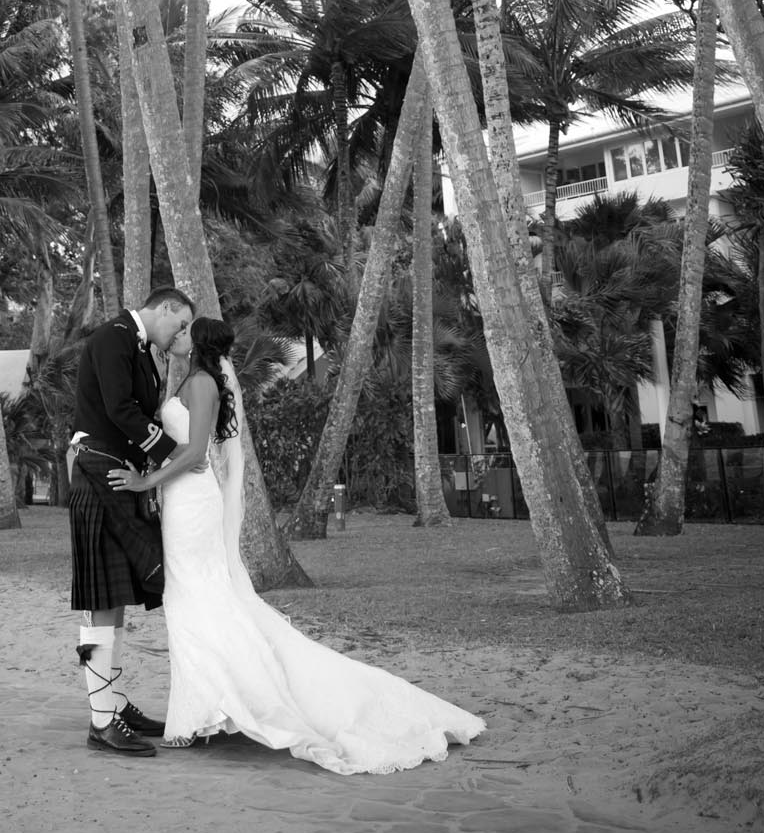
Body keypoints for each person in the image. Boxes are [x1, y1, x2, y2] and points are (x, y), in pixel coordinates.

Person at [109, 316, 486, 774]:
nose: (179, 333)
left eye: (186, 329)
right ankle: (199, 710)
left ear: (200, 343)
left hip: (192, 503)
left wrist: (143, 481)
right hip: (179, 503)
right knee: (189, 599)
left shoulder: (204, 383)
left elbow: (193, 454)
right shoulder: (190, 378)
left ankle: (195, 717)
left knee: (193, 599)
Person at [67, 283, 194, 757]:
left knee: (115, 596)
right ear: (164, 308)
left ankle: (113, 704)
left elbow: (135, 409)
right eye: (180, 323)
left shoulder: (138, 347)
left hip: (116, 473)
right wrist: (173, 455)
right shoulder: (113, 338)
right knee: (103, 598)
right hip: (100, 471)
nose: (181, 333)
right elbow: (121, 410)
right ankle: (102, 722)